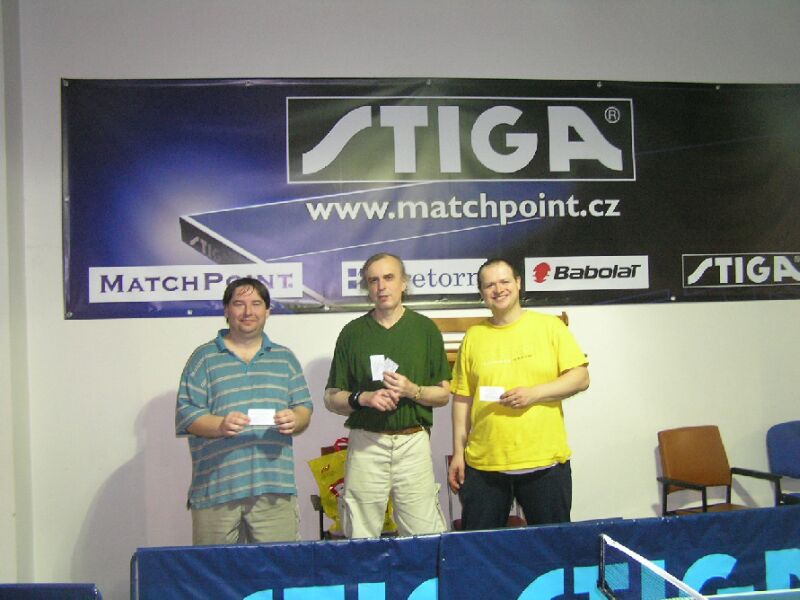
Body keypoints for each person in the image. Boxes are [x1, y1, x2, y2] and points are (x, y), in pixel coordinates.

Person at [448, 258, 589, 530]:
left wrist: (534, 394)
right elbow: (463, 398)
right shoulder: (474, 336)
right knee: (481, 549)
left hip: (544, 463)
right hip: (484, 466)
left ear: (518, 283)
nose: (498, 289)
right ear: (482, 292)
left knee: (552, 547)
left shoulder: (550, 327)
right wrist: (457, 453)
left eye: (504, 281)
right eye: (489, 285)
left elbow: (581, 377)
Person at [175, 277, 313, 545]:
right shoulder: (203, 358)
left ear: (268, 311)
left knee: (277, 567)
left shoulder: (285, 358)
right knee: (215, 569)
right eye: (239, 304)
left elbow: (304, 408)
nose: (248, 311)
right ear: (226, 310)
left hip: (274, 489)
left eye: (256, 304)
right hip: (216, 490)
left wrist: (295, 419)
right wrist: (220, 426)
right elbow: (187, 415)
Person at [324, 252, 450, 538]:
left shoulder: (426, 330)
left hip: (413, 443)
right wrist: (364, 399)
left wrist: (412, 390)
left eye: (389, 278)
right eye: (373, 280)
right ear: (367, 288)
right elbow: (331, 398)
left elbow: (443, 394)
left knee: (424, 533)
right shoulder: (352, 333)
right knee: (360, 533)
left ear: (403, 283)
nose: (381, 286)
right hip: (366, 443)